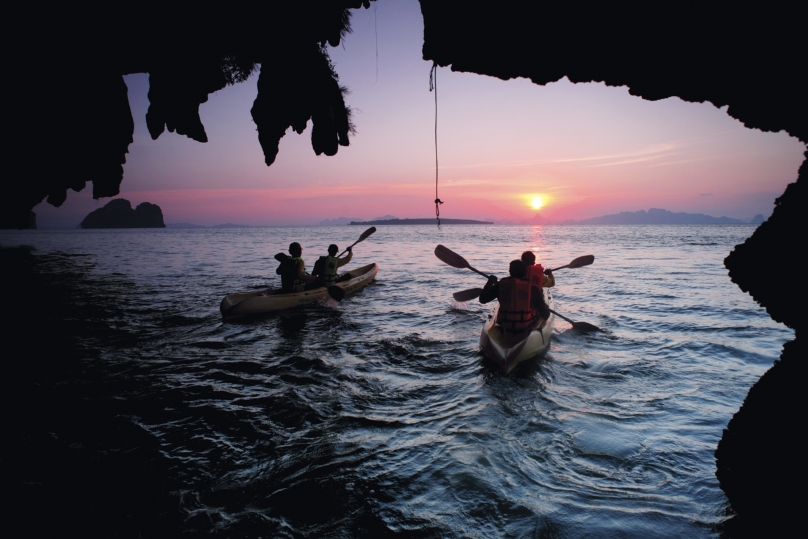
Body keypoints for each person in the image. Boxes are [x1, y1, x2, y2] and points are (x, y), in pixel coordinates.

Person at [479, 259, 551, 333]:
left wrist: (489, 282)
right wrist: (545, 307)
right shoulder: (533, 289)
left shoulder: (500, 285)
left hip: (504, 325)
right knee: (541, 309)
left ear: (510, 272)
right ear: (525, 273)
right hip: (527, 326)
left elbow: (483, 299)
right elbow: (546, 315)